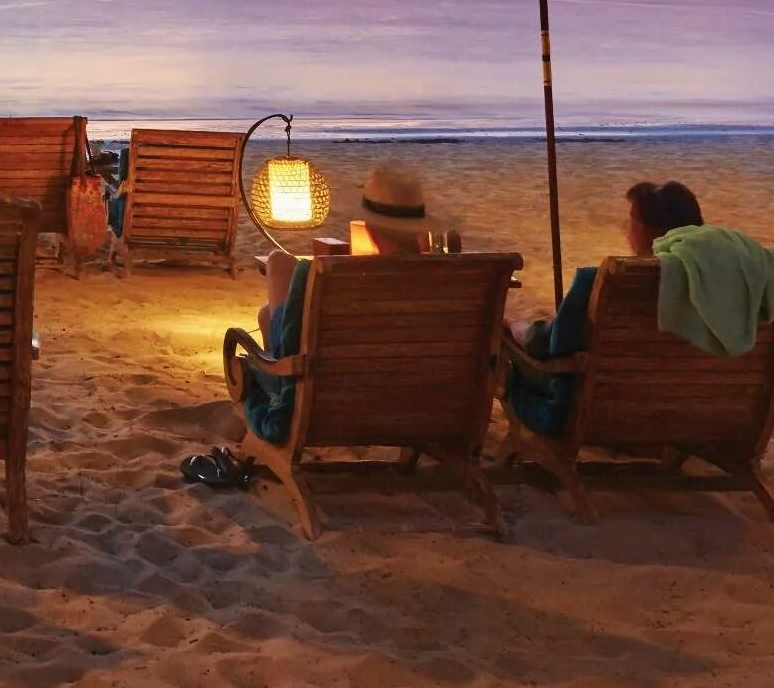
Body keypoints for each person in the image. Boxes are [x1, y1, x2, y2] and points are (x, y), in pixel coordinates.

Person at [183, 164, 446, 488]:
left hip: (328, 405)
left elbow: (296, 351)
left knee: (279, 264)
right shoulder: (454, 282)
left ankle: (274, 402)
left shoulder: (342, 279)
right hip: (423, 406)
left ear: (370, 229)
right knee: (267, 312)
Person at [505, 179, 705, 436]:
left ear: (651, 232)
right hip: (687, 414)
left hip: (592, 415)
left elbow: (544, 344)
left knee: (506, 355)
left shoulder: (599, 283)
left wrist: (515, 328)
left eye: (632, 219)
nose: (626, 229)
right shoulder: (722, 291)